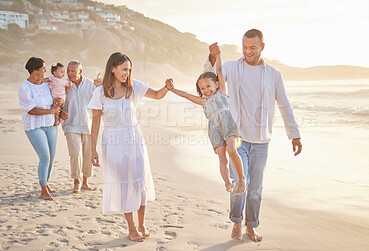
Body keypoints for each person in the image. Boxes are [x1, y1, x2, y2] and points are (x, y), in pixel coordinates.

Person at [204, 29, 303, 242]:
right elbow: (211, 77)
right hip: (237, 138)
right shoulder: (232, 67)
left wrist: (294, 134)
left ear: (262, 47)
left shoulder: (274, 74)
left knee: (256, 188)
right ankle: (237, 222)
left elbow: (284, 104)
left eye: (252, 48)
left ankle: (251, 226)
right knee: (241, 182)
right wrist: (212, 57)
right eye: (245, 47)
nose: (248, 52)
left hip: (262, 140)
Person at [89, 52, 170, 242]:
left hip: (134, 139)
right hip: (113, 142)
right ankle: (131, 228)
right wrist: (93, 150)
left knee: (140, 182)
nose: (127, 73)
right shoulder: (100, 93)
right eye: (124, 69)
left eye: (129, 69)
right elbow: (94, 123)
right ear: (113, 68)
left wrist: (167, 87)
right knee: (123, 183)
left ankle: (141, 224)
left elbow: (157, 95)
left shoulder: (134, 87)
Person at [166, 53, 246, 195]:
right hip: (214, 129)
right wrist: (171, 89)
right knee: (222, 157)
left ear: (216, 84)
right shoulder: (203, 101)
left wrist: (218, 54)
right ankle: (227, 183)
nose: (206, 90)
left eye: (208, 86)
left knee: (232, 149)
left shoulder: (221, 92)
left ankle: (241, 179)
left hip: (228, 124)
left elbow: (219, 70)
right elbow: (185, 94)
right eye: (202, 89)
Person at [18, 57, 68, 200]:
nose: (45, 70)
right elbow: (31, 110)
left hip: (51, 124)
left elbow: (56, 100)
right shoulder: (24, 87)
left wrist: (60, 112)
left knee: (51, 157)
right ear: (35, 70)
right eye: (43, 68)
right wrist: (51, 112)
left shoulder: (47, 85)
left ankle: (46, 183)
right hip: (34, 127)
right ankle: (43, 190)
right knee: (44, 156)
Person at [62, 60, 101, 193]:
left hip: (87, 124)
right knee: (75, 153)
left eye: (73, 71)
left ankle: (85, 181)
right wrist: (61, 113)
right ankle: (76, 181)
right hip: (70, 125)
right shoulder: (64, 85)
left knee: (87, 154)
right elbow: (59, 103)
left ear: (80, 71)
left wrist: (98, 88)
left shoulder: (90, 84)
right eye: (68, 71)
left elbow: (99, 100)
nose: (70, 73)